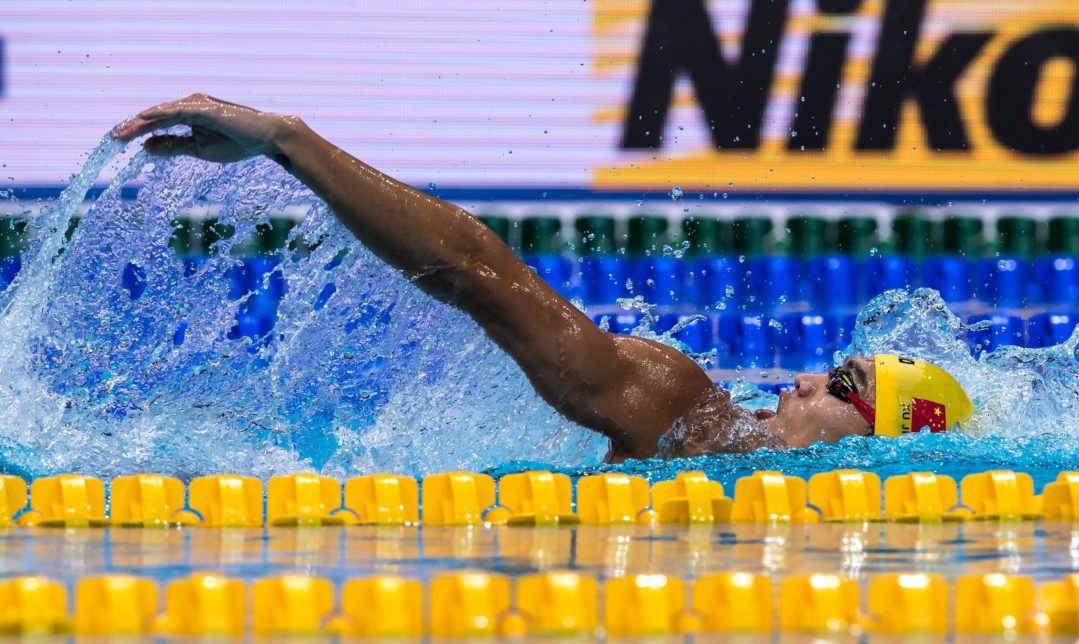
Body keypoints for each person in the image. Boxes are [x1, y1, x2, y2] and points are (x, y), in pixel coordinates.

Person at [112, 95, 974, 462]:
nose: (802, 375)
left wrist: (290, 142)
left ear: (877, 442)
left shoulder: (713, 438)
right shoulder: (692, 418)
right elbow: (475, 273)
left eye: (840, 385)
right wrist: (291, 143)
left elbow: (476, 270)